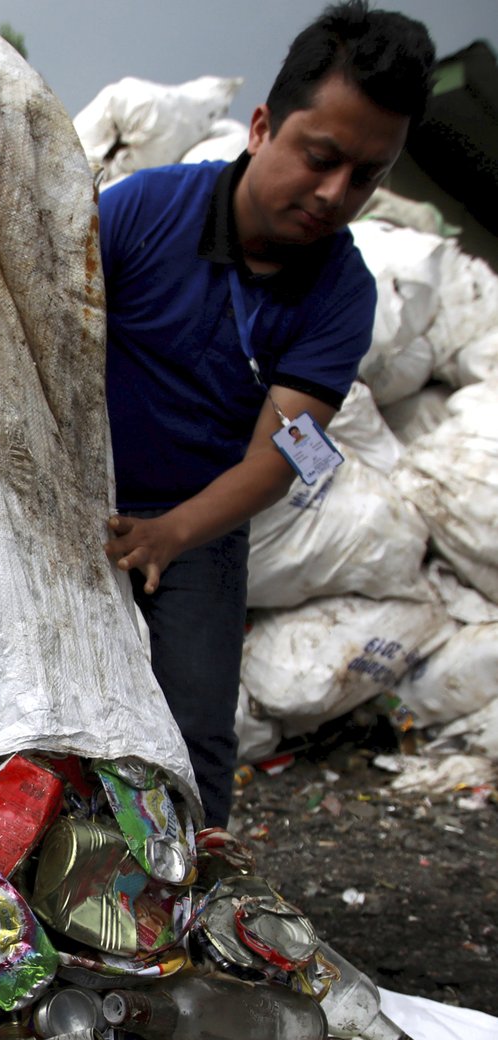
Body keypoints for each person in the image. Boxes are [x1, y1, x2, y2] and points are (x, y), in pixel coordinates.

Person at [101, 0, 435, 828]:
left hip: (201, 533)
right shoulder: (141, 213)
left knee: (193, 732)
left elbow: (280, 455)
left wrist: (169, 534)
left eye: (366, 176)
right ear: (261, 127)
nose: (334, 193)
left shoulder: (341, 293)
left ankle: (185, 914)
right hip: (73, 506)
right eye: (320, 157)